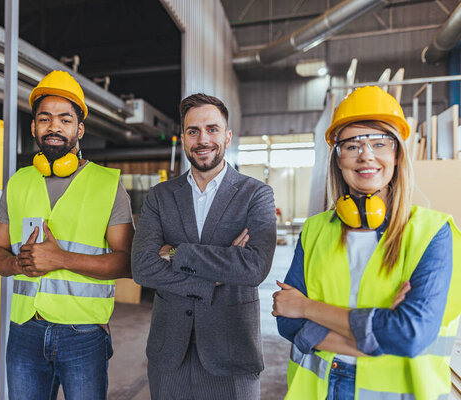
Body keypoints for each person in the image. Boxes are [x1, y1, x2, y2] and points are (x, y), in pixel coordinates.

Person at [273, 86, 461, 400]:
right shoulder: (315, 230)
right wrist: (378, 329)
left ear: (397, 154)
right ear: (338, 158)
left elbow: (409, 335)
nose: (366, 155)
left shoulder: (432, 231)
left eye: (379, 143)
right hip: (319, 390)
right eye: (352, 145)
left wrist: (307, 307)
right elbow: (287, 324)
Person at [0, 70, 134, 400]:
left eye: (65, 119)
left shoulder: (107, 184)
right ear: (34, 127)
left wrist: (60, 259)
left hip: (83, 334)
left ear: (79, 129)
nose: (54, 127)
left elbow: (128, 263)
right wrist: (17, 265)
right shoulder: (18, 182)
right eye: (45, 118)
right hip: (25, 330)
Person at [132, 93, 277, 399]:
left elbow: (254, 267)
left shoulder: (256, 195)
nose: (203, 140)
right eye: (193, 131)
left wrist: (175, 253)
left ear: (227, 135)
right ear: (183, 138)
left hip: (232, 353)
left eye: (212, 129)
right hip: (170, 355)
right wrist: (220, 272)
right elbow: (143, 267)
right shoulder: (160, 196)